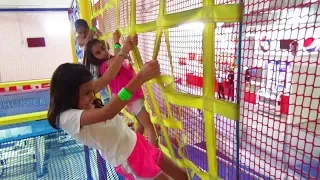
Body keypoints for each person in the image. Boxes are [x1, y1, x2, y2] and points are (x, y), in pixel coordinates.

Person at [47, 38, 188, 180]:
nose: (91, 96)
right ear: (68, 94)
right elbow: (107, 113)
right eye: (86, 93)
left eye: (91, 91)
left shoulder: (82, 97)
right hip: (128, 157)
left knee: (182, 176)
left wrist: (124, 47)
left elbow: (109, 76)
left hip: (136, 142)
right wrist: (140, 78)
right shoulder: (66, 117)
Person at [83, 31, 159, 148]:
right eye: (98, 53)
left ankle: (135, 148)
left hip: (134, 96)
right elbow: (119, 59)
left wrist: (128, 45)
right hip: (131, 99)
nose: (103, 53)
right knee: (150, 127)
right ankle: (153, 157)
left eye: (103, 48)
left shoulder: (112, 59)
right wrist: (117, 43)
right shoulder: (105, 65)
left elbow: (120, 58)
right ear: (94, 59)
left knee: (141, 125)